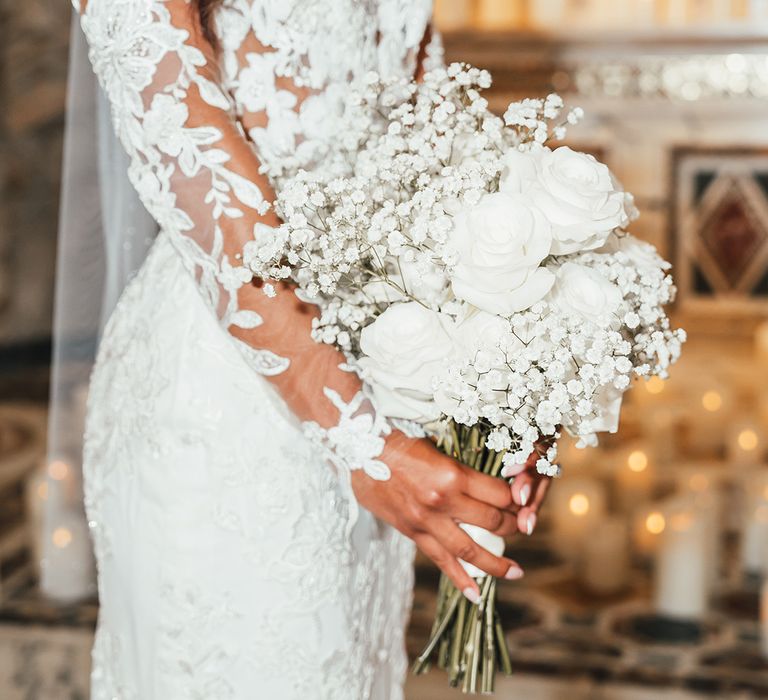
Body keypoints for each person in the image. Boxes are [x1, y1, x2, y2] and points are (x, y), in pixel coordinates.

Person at [68, 1, 550, 697]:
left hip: (380, 367)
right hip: (231, 393)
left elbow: (432, 139)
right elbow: (195, 167)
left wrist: (496, 382)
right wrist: (364, 441)